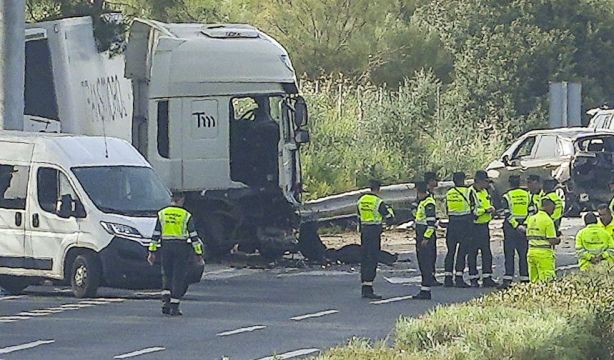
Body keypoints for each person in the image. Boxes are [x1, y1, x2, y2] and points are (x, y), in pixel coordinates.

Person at [148, 192, 204, 316]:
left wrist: (152, 252)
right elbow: (194, 236)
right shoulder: (186, 215)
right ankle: (174, 306)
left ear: (171, 199)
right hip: (181, 248)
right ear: (182, 200)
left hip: (166, 247)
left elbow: (156, 234)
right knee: (178, 276)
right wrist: (198, 254)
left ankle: (165, 302)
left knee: (166, 274)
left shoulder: (162, 214)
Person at [357, 180, 395, 299]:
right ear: (378, 189)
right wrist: (390, 213)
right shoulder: (378, 202)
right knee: (372, 258)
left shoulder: (361, 200)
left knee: (365, 258)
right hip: (374, 232)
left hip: (364, 231)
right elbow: (389, 218)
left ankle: (364, 287)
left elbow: (358, 216)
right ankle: (369, 288)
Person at [467, 170, 498, 287]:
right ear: (478, 181)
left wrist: (491, 210)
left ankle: (487, 277)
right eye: (485, 182)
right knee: (472, 253)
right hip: (473, 227)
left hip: (484, 226)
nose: (487, 184)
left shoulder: (485, 191)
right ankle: (473, 278)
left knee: (486, 253)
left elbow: (487, 204)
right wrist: (485, 210)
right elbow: (472, 211)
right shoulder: (470, 192)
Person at [499, 175, 531, 288]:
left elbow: (507, 214)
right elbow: (531, 211)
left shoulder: (507, 196)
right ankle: (525, 279)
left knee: (509, 254)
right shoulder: (527, 195)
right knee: (523, 254)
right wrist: (525, 224)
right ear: (520, 182)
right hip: (524, 228)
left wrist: (516, 225)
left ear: (510, 183)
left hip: (511, 229)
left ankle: (508, 280)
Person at [443, 172, 471, 288]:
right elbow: (473, 207)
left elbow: (446, 208)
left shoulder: (449, 193)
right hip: (465, 224)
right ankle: (459, 278)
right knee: (462, 252)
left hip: (452, 223)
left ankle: (447, 278)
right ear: (463, 180)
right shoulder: (468, 191)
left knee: (450, 251)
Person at [412, 181, 437, 300]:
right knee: (423, 264)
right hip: (421, 236)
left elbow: (431, 224)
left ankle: (426, 290)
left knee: (425, 264)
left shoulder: (428, 203)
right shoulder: (422, 202)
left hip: (425, 238)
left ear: (418, 190)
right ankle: (424, 289)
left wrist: (426, 238)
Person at [525, 198, 560, 283]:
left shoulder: (531, 218)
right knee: (547, 281)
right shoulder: (548, 220)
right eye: (553, 208)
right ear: (548, 206)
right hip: (544, 254)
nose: (553, 211)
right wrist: (558, 240)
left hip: (531, 252)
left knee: (534, 282)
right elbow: (552, 240)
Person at [424, 171, 442, 286]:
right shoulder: (426, 195)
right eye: (435, 180)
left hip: (430, 226)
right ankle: (429, 277)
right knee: (429, 253)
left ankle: (431, 276)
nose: (437, 183)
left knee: (432, 253)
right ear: (430, 181)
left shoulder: (430, 193)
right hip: (426, 228)